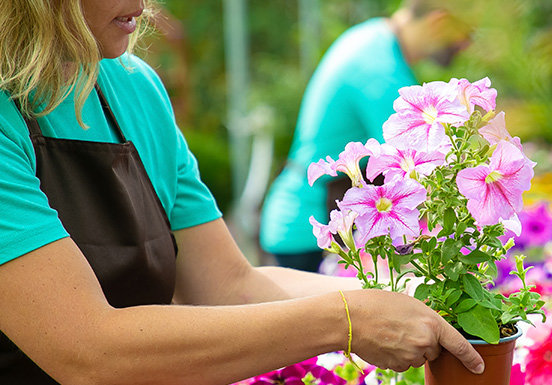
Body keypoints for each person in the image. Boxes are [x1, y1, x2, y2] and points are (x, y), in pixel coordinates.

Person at [0, 1, 484, 383]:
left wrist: (415, 296)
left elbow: (228, 285)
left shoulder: (136, 87)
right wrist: (347, 320)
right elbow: (88, 352)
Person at [259, 0, 472, 271]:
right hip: (310, 234)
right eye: (466, 35)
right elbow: (418, 155)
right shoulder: (379, 66)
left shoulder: (372, 39)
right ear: (438, 23)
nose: (466, 45)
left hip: (304, 221)